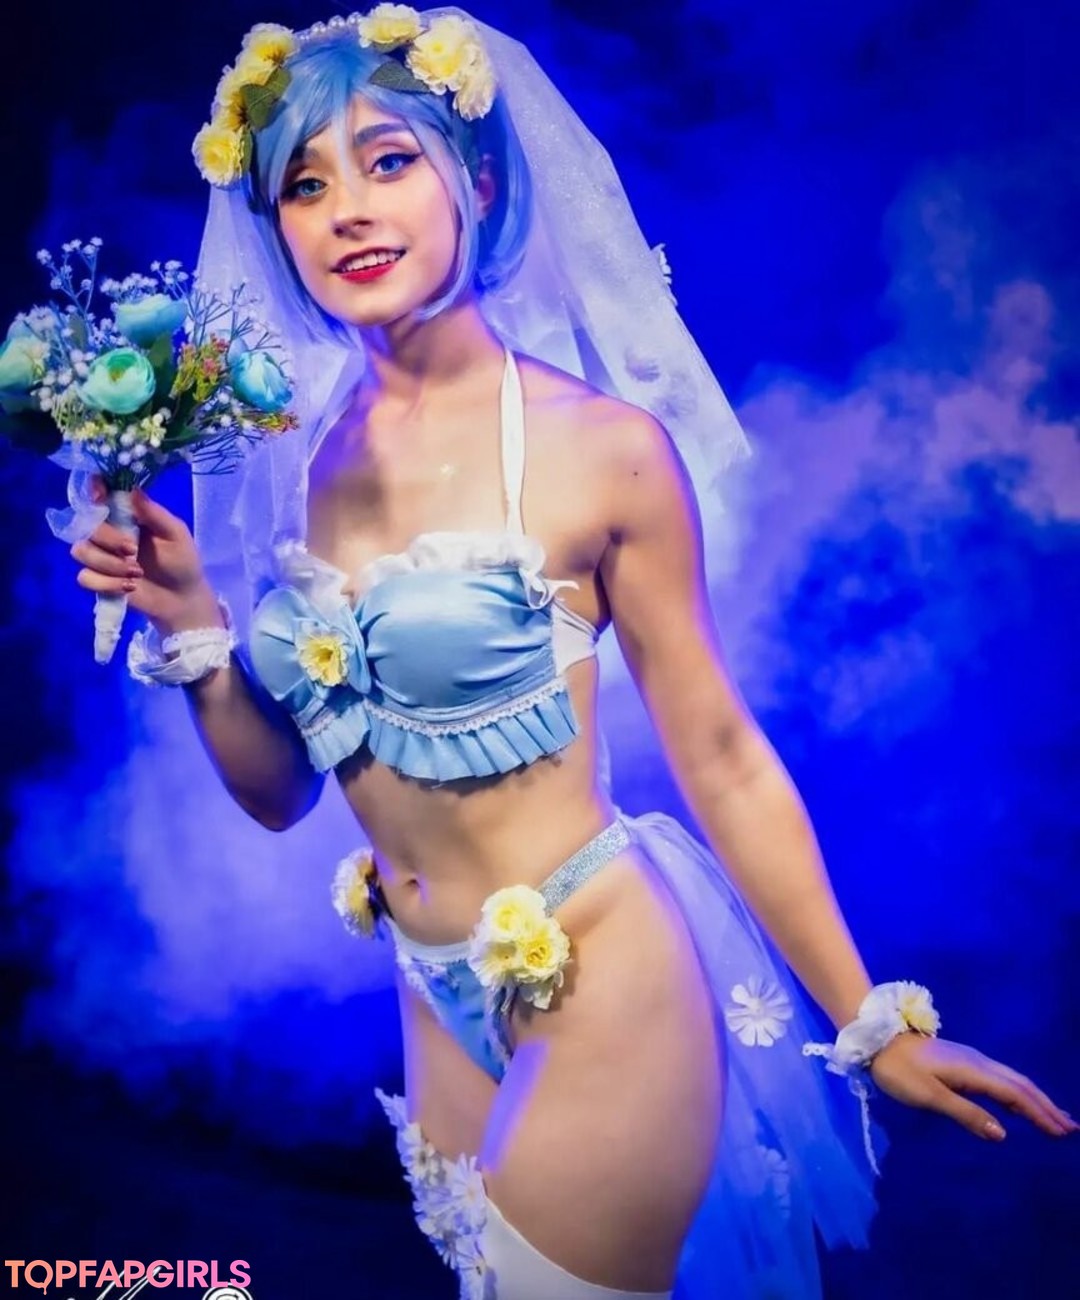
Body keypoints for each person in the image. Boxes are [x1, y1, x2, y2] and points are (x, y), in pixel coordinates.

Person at [68, 8, 1075, 1299]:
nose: (348, 210)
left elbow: (721, 753)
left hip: (598, 972)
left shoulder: (604, 451)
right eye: (305, 186)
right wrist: (194, 623)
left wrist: (869, 1019)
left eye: (389, 161)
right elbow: (278, 795)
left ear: (477, 185)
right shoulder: (301, 462)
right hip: (430, 996)